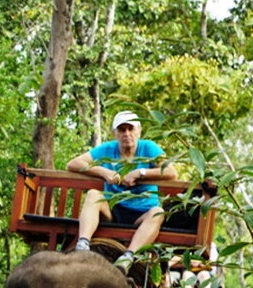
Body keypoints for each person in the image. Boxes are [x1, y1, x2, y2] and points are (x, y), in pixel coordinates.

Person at [66, 110, 175, 264]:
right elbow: (73, 164)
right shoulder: (108, 149)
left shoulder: (149, 148)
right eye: (122, 130)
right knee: (93, 194)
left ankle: (129, 256)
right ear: (115, 133)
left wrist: (140, 173)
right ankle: (82, 244)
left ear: (139, 131)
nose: (127, 134)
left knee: (158, 212)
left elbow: (171, 172)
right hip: (113, 211)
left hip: (142, 213)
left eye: (131, 129)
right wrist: (104, 172)